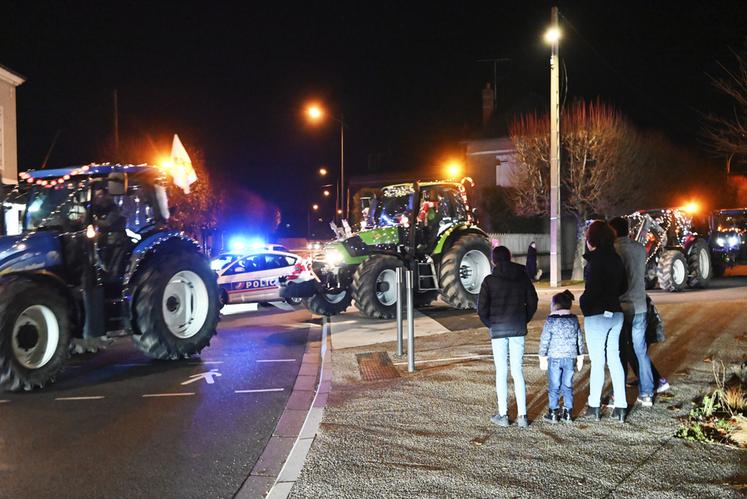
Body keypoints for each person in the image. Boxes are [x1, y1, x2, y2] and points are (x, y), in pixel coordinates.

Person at [609, 216, 669, 403]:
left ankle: (617, 394)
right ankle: (647, 393)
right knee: (640, 351)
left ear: (614, 231)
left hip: (621, 306)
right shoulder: (639, 249)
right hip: (640, 306)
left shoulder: (613, 250)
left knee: (620, 351)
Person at [478, 245, 539, 428]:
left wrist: (492, 324)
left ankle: (503, 415)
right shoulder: (522, 277)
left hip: (498, 330)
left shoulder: (489, 281)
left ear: (493, 260)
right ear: (510, 257)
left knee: (501, 372)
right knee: (517, 371)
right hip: (517, 328)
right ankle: (522, 416)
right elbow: (533, 301)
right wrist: (523, 319)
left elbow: (481, 309)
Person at [579, 220, 628, 423]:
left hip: (597, 315)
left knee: (598, 362)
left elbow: (592, 292)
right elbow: (623, 286)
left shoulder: (594, 263)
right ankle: (621, 407)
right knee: (614, 359)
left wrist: (584, 303)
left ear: (592, 240)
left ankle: (594, 406)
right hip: (616, 313)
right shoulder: (616, 259)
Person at [538, 290, 585, 423]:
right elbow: (579, 339)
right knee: (567, 385)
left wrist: (542, 356)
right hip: (570, 358)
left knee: (554, 386)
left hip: (554, 358)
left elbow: (545, 339)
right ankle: (568, 412)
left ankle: (553, 412)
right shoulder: (573, 320)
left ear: (555, 305)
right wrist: (580, 356)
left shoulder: (551, 320)